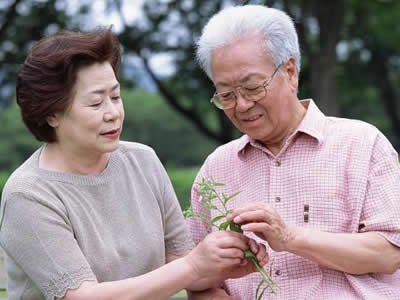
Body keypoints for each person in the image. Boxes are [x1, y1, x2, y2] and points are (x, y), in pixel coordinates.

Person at [0, 27, 268, 300]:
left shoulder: (143, 161)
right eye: (96, 103)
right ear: (51, 115)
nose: (113, 113)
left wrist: (226, 263)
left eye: (115, 97)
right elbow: (83, 297)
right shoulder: (28, 195)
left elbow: (180, 262)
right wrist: (193, 265)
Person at [188, 4, 400, 300]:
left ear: (289, 72)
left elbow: (389, 254)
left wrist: (290, 238)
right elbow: (197, 278)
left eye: (252, 87)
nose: (242, 105)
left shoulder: (362, 144)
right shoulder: (217, 167)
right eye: (226, 95)